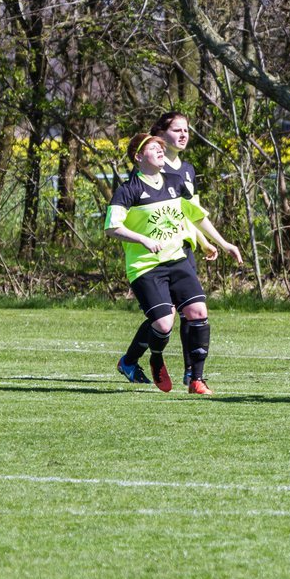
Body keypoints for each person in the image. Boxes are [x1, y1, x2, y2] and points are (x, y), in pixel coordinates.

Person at [105, 133, 239, 395]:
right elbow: (112, 227)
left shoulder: (176, 182)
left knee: (198, 312)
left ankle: (197, 380)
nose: (159, 151)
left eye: (161, 147)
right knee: (164, 324)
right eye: (153, 147)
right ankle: (155, 358)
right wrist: (142, 239)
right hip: (145, 267)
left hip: (177, 260)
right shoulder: (128, 189)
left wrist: (223, 244)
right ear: (138, 157)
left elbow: (197, 216)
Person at [150, 111, 244, 386]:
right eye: (177, 130)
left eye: (187, 130)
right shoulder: (151, 167)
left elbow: (192, 213)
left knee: (192, 312)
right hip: (157, 254)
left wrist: (209, 242)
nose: (183, 135)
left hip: (184, 250)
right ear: (161, 133)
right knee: (163, 318)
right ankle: (137, 359)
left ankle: (193, 373)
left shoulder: (187, 171)